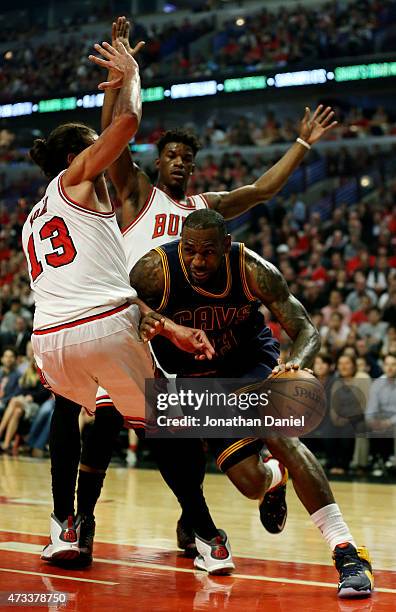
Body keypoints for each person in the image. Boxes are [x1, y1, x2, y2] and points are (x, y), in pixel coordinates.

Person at [45, 15, 340, 568]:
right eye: (173, 156)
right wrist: (117, 83)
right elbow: (114, 138)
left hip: (201, 338)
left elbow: (261, 190)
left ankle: (195, 528)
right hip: (145, 329)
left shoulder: (206, 210)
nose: (180, 162)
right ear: (160, 163)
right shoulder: (135, 194)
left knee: (188, 442)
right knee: (109, 426)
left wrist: (301, 143)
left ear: (195, 166)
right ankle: (84, 528)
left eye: (188, 158)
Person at [23, 40, 214, 564]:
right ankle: (206, 533)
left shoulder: (32, 220)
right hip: (107, 325)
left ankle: (66, 528)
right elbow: (126, 124)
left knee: (67, 411)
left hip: (49, 339)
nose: (106, 154)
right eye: (94, 145)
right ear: (76, 157)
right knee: (164, 423)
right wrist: (130, 74)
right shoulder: (80, 179)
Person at [131, 209, 373, 598]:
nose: (196, 260)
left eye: (208, 252)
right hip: (196, 381)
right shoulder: (154, 271)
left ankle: (347, 552)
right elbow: (119, 308)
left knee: (280, 433)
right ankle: (275, 478)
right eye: (190, 250)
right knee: (250, 482)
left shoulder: (251, 269)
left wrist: (299, 361)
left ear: (226, 247)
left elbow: (305, 328)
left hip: (248, 365)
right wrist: (144, 323)